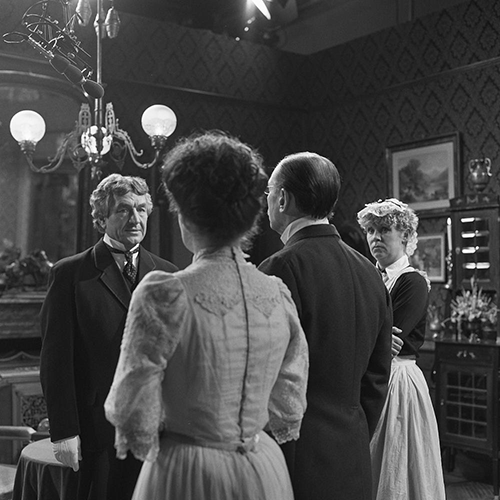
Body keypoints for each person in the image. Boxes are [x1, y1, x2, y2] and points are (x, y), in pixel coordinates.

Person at [104, 131, 309, 500]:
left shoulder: (165, 293)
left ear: (185, 217)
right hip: (261, 465)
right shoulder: (277, 294)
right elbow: (289, 393)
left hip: (187, 469)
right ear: (250, 218)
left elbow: (131, 406)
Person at [258, 151, 393, 500]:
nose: (266, 200)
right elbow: (378, 375)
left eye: (268, 191)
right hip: (353, 447)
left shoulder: (279, 268)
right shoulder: (370, 272)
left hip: (296, 453)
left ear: (283, 198)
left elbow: (263, 369)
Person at [39, 173, 178, 500]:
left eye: (141, 210)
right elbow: (56, 360)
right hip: (96, 431)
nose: (135, 218)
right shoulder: (70, 274)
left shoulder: (168, 274)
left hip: (155, 429)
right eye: (124, 210)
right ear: (102, 219)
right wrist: (64, 431)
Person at [357, 197, 446, 500]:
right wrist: (376, 337)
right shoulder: (367, 276)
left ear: (405, 236)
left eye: (384, 230)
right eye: (371, 230)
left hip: (397, 381)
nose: (375, 237)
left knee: (396, 459)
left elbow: (389, 341)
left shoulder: (412, 282)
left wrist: (372, 337)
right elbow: (370, 335)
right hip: (370, 375)